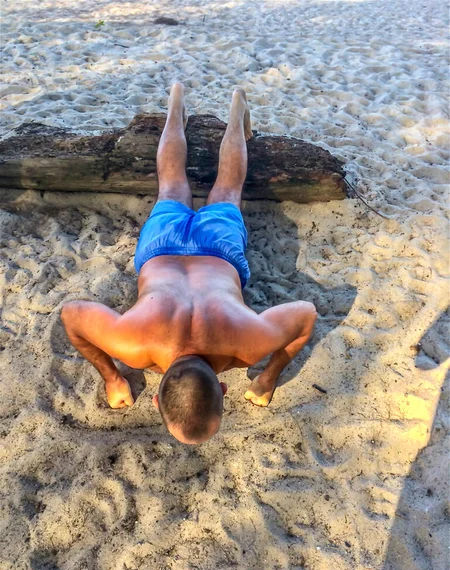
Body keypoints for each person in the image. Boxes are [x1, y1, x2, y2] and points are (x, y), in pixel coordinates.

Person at [61, 83, 317, 445]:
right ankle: (209, 108)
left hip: (215, 253)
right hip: (162, 253)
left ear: (224, 389)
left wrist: (112, 378)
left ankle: (194, 107)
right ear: (223, 391)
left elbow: (305, 315)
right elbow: (72, 316)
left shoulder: (247, 345)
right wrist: (267, 378)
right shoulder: (130, 343)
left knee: (219, 188)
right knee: (175, 186)